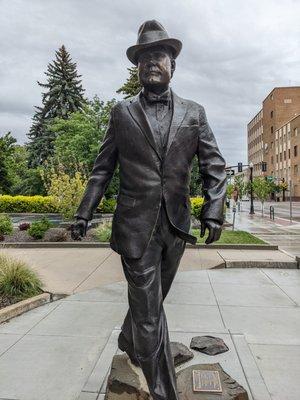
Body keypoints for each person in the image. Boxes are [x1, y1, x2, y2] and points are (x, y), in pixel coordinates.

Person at [71, 20, 227, 400]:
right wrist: (83, 212)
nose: (151, 63)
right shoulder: (121, 113)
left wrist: (214, 210)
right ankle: (162, 390)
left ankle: (130, 339)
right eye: (143, 58)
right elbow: (102, 167)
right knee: (150, 312)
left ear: (173, 64)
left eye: (158, 56)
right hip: (135, 228)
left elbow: (214, 166)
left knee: (151, 303)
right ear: (137, 67)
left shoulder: (195, 112)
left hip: (175, 227)